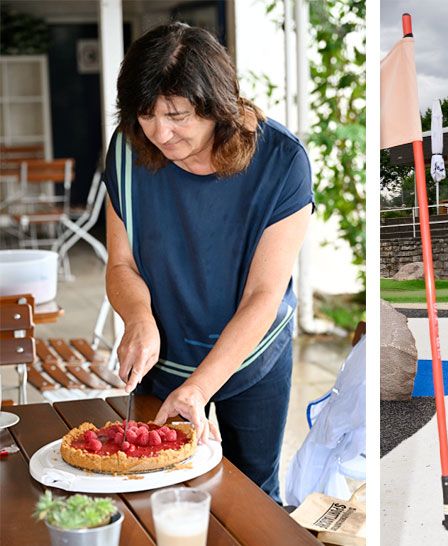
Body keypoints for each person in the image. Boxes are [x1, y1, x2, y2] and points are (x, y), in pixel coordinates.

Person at [103, 22, 313, 503]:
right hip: (164, 356)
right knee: (159, 494)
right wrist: (138, 318)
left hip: (250, 355)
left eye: (176, 115)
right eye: (146, 114)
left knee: (252, 498)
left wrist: (199, 389)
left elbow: (264, 296)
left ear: (217, 105)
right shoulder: (127, 149)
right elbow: (120, 265)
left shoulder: (282, 161)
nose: (160, 132)